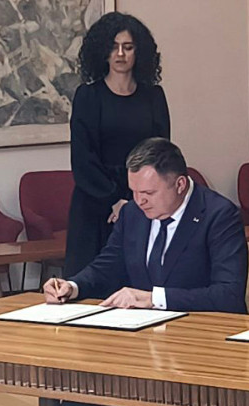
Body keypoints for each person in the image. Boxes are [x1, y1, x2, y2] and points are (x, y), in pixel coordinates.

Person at [44, 137, 248, 406]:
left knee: (188, 400)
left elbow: (228, 295)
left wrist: (154, 297)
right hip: (139, 341)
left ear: (180, 184)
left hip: (202, 344)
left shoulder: (219, 215)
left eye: (149, 193)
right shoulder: (134, 215)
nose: (139, 201)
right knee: (76, 402)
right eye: (134, 191)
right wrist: (73, 286)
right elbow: (109, 264)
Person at [65, 12, 170, 276]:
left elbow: (161, 152)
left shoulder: (154, 96)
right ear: (103, 51)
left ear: (139, 52)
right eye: (113, 47)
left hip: (143, 200)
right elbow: (83, 158)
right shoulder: (88, 96)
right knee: (90, 282)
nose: (120, 54)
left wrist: (132, 200)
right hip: (95, 201)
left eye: (128, 47)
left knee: (139, 280)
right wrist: (113, 200)